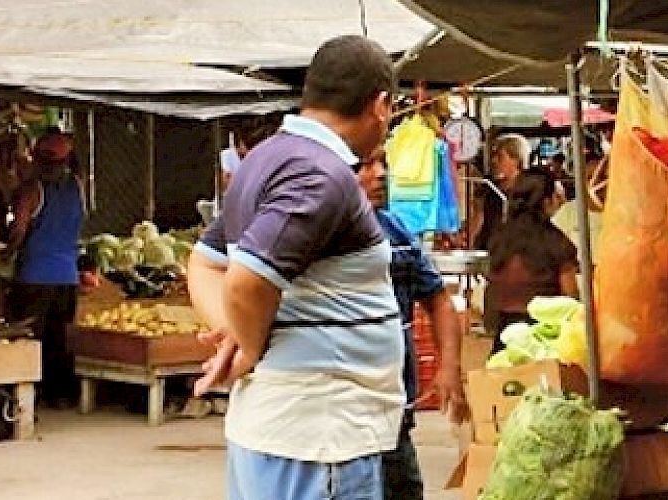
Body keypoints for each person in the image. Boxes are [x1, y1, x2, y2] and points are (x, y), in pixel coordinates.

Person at [187, 35, 403, 500]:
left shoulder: (266, 159)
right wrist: (247, 343)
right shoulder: (319, 175)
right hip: (319, 439)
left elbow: (205, 264)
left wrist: (230, 334)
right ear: (380, 105)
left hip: (285, 436)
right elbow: (245, 283)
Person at [355, 147, 464, 500]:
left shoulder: (396, 231)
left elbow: (439, 298)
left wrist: (449, 368)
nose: (381, 173)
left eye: (382, 162)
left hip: (397, 403)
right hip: (344, 412)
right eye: (364, 166)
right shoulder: (314, 238)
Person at [5, 132, 86, 407]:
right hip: (67, 276)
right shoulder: (77, 186)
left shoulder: (32, 189)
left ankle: (31, 395)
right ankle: (61, 395)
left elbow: (18, 230)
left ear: (38, 160)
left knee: (29, 337)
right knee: (60, 338)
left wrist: (6, 253)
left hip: (35, 276)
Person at [482, 169, 579, 352]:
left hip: (503, 337)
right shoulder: (557, 243)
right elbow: (571, 296)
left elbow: (492, 289)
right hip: (543, 336)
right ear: (547, 201)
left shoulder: (499, 238)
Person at [468, 134, 531, 250]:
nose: (494, 161)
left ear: (516, 159)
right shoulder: (489, 189)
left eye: (500, 156)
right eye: (493, 155)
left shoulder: (531, 192)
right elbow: (477, 222)